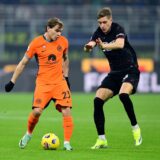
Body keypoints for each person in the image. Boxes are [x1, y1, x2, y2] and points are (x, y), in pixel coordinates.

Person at [5, 17, 73, 151]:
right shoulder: (36, 43)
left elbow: (66, 59)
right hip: (43, 83)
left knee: (67, 111)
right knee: (37, 111)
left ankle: (66, 143)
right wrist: (12, 82)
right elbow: (23, 63)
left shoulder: (64, 42)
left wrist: (66, 77)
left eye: (61, 31)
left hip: (59, 82)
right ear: (48, 28)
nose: (59, 34)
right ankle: (28, 134)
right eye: (57, 30)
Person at [84, 7, 142, 149]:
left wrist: (105, 45)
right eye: (99, 22)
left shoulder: (118, 29)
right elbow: (90, 44)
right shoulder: (98, 32)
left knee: (123, 95)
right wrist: (88, 47)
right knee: (97, 100)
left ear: (110, 20)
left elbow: (120, 44)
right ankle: (102, 139)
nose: (102, 25)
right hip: (115, 73)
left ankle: (136, 129)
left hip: (130, 69)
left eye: (104, 22)